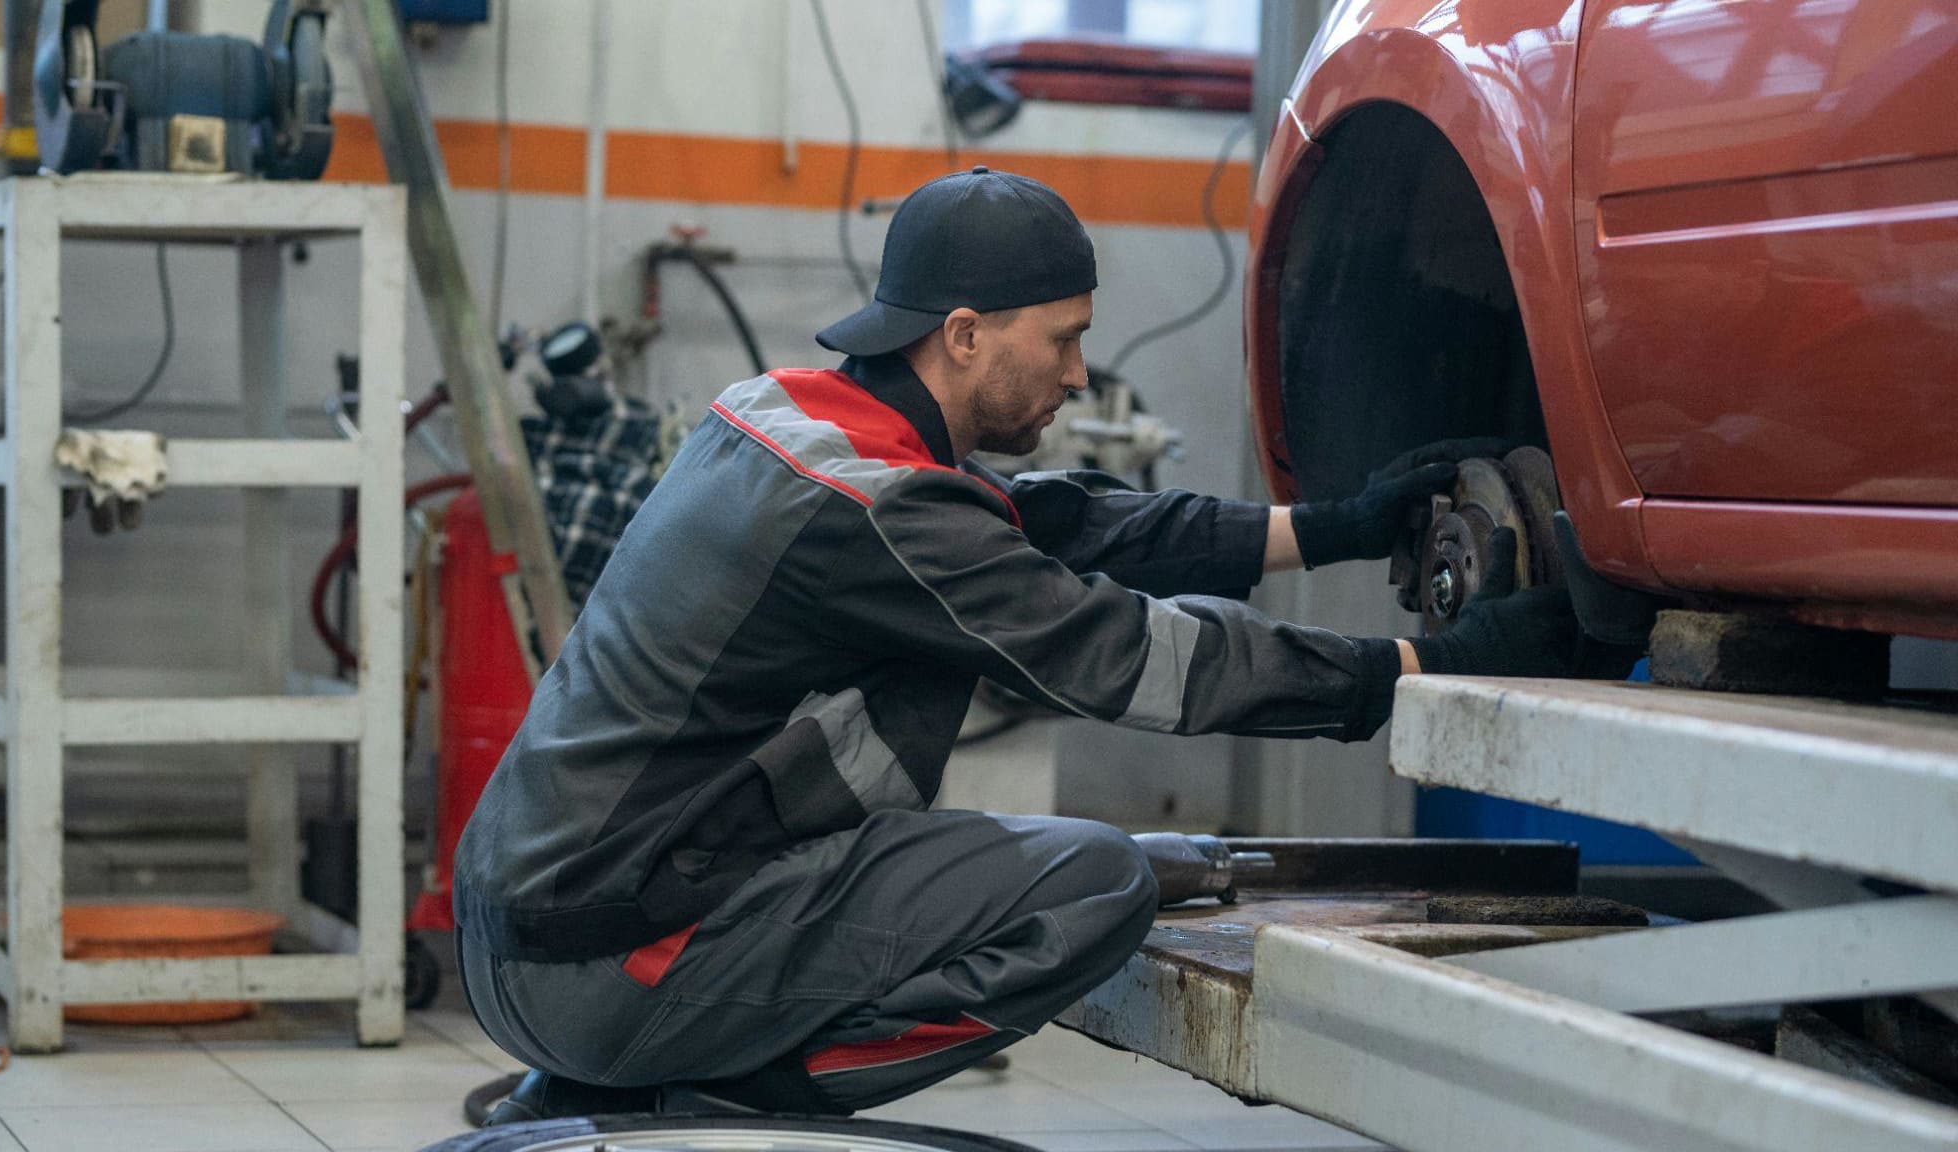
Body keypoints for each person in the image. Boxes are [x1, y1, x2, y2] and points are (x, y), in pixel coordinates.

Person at [456, 167, 1582, 1123]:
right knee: (1094, 887)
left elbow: (1061, 522)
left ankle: (612, 1067)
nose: (1078, 373)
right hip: (611, 959)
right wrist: (1424, 670)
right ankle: (696, 1091)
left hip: (525, 931)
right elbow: (1131, 656)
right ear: (963, 335)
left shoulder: (785, 420)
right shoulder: (878, 507)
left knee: (1060, 854)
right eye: (1064, 339)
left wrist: (1333, 527)